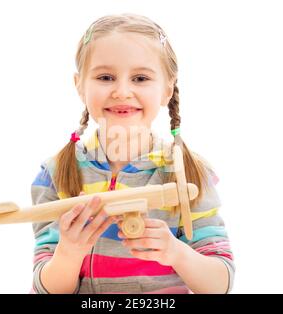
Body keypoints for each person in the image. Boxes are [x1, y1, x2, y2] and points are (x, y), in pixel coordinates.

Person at [30, 13, 234, 294]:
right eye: (105, 77)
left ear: (167, 90)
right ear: (79, 85)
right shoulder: (54, 175)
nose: (122, 91)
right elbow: (47, 289)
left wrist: (175, 252)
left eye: (140, 78)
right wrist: (68, 253)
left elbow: (220, 284)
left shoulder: (191, 172)